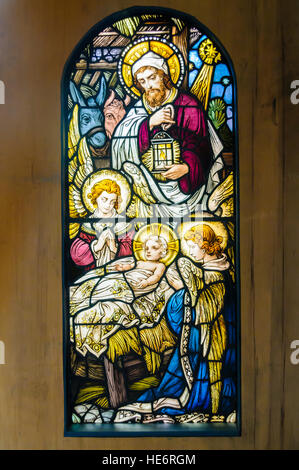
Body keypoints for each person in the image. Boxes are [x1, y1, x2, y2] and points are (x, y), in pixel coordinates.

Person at [114, 224, 236, 423]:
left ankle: (206, 402)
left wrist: (181, 292)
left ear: (204, 246)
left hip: (212, 341)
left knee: (204, 378)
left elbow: (203, 309)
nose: (190, 251)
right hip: (205, 334)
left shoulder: (215, 275)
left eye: (192, 246)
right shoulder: (214, 270)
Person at [112, 51, 224, 215]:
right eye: (142, 81)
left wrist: (186, 168)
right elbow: (121, 142)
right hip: (147, 190)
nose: (148, 85)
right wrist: (149, 123)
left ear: (164, 76)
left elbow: (203, 147)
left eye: (152, 78)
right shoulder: (138, 109)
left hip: (186, 188)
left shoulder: (189, 105)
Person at [70, 233, 175, 359]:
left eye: (154, 248)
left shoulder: (160, 265)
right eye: (146, 248)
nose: (149, 251)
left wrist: (147, 282)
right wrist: (122, 267)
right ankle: (87, 298)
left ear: (163, 252)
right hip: (125, 279)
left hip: (133, 287)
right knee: (106, 282)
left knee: (112, 285)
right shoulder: (140, 262)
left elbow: (156, 277)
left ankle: (97, 296)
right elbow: (130, 266)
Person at [70, 178, 134, 270]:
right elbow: (76, 255)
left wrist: (114, 247)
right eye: (104, 199)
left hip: (119, 272)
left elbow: (133, 250)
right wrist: (96, 246)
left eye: (112, 202)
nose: (108, 205)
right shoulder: (87, 224)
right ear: (96, 198)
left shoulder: (123, 224)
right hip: (92, 274)